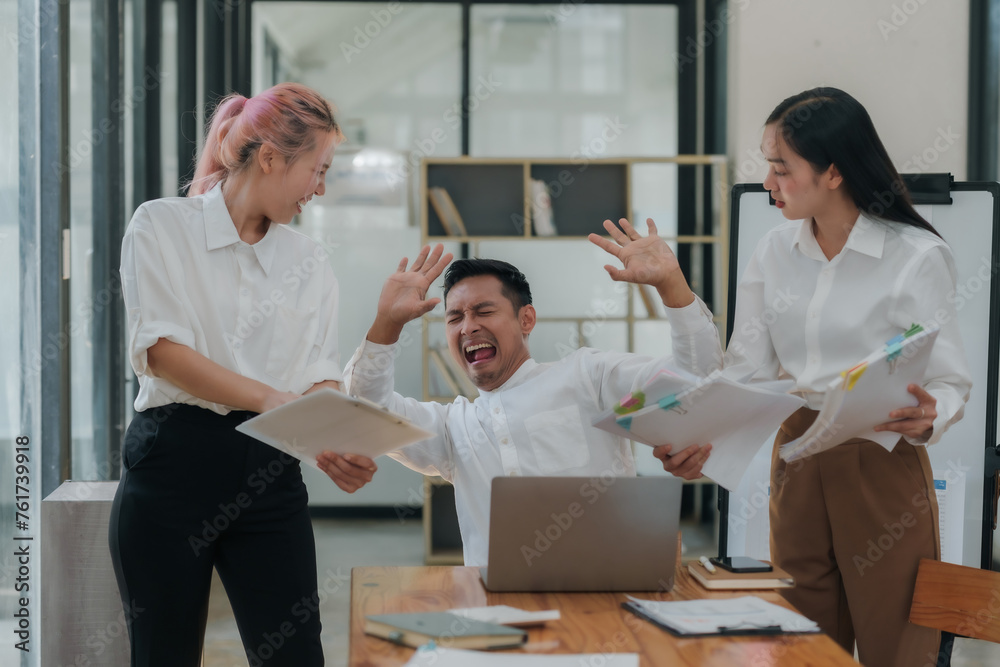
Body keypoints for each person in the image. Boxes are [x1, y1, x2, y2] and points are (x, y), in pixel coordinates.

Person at [109, 82, 375, 667]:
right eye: (318, 169)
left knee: (296, 656)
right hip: (172, 467)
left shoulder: (310, 262)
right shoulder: (160, 226)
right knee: (163, 655)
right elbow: (163, 353)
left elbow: (318, 376)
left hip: (270, 470)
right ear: (273, 157)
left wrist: (329, 436)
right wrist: (277, 400)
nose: (321, 188)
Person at [716, 87, 972, 667]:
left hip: (879, 459)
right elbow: (745, 373)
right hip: (797, 455)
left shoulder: (916, 256)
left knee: (896, 644)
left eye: (782, 168)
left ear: (833, 172)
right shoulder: (772, 252)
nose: (768, 182)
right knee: (803, 645)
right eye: (768, 166)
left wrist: (934, 414)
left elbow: (952, 379)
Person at [319, 222, 717, 567]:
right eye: (455, 317)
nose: (467, 327)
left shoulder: (587, 377)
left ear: (526, 319)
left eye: (483, 311)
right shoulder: (453, 428)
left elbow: (692, 383)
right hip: (499, 615)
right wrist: (386, 324)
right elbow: (365, 412)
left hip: (607, 597)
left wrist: (671, 284)